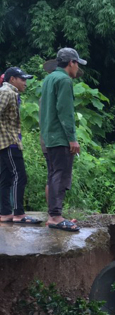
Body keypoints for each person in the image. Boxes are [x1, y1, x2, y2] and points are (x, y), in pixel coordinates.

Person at [40, 48, 87, 232]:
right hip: (60, 138)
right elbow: (65, 112)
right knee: (60, 175)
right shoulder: (64, 80)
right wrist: (72, 139)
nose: (77, 70)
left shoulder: (49, 78)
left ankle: (53, 214)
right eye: (77, 64)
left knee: (53, 175)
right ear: (71, 63)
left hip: (48, 135)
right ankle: (56, 216)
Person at [0, 67, 42, 224]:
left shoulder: (10, 92)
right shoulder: (7, 92)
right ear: (12, 80)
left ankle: (5, 214)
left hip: (6, 143)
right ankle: (18, 214)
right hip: (9, 142)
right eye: (22, 79)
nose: (25, 82)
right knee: (19, 176)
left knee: (5, 178)